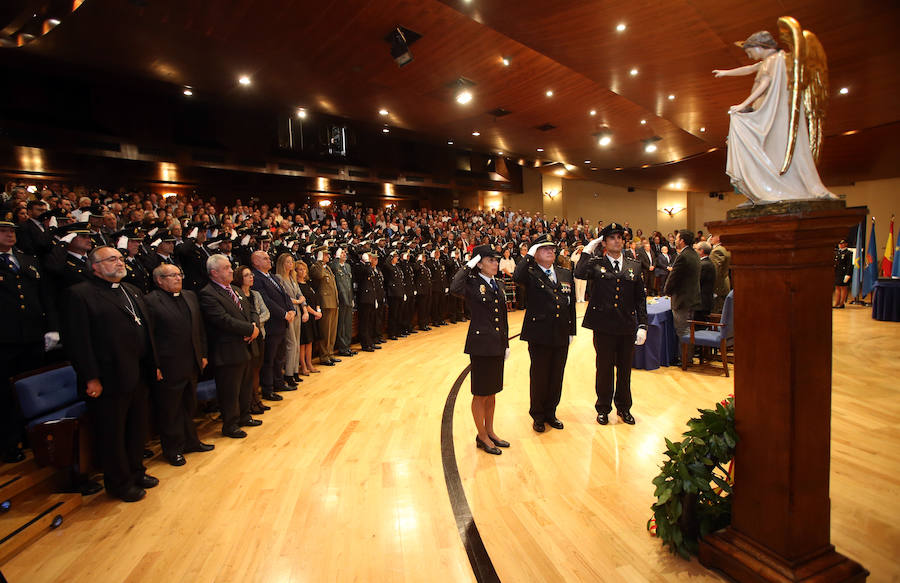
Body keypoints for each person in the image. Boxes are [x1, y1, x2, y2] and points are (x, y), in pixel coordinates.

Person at [64, 246, 160, 502]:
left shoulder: (132, 291)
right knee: (113, 434)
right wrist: (90, 377)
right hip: (108, 378)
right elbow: (78, 341)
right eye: (111, 259)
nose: (119, 262)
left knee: (137, 428)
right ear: (94, 266)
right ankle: (119, 483)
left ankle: (137, 471)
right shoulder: (80, 294)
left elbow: (147, 333)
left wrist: (155, 365)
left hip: (138, 372)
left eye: (120, 258)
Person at [713, 29, 836, 203]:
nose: (750, 56)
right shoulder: (773, 61)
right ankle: (760, 186)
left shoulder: (775, 60)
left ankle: (767, 185)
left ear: (760, 46)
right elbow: (749, 69)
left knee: (745, 129)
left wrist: (743, 104)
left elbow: (765, 83)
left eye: (750, 51)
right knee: (755, 140)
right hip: (764, 109)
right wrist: (726, 72)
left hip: (770, 112)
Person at [0, 215, 60, 463]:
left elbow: (46, 297)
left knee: (32, 390)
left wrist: (52, 328)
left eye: (12, 231)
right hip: (4, 340)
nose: (9, 234)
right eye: (3, 231)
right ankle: (9, 442)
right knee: (4, 394)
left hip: (33, 336)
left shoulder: (27, 260)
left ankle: (32, 437)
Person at [574, 223, 647, 426]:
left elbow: (640, 298)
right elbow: (579, 273)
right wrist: (589, 249)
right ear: (604, 243)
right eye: (612, 238)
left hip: (626, 325)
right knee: (604, 369)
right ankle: (603, 408)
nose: (617, 240)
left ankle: (624, 408)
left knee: (625, 370)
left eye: (619, 237)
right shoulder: (596, 263)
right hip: (604, 326)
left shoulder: (634, 265)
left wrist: (643, 325)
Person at [143, 264, 213, 466]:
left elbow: (199, 328)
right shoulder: (151, 302)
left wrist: (203, 353)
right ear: (159, 280)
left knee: (189, 405)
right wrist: (154, 364)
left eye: (179, 274)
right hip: (168, 365)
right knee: (170, 410)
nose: (177, 278)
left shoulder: (190, 296)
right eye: (171, 275)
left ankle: (191, 441)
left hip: (191, 361)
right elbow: (151, 338)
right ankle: (172, 449)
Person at [449, 244, 509, 455]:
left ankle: (490, 431)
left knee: (492, 392)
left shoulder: (498, 284)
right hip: (481, 345)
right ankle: (481, 435)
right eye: (490, 260)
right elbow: (454, 287)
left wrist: (506, 343)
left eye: (496, 260)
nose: (495, 263)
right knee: (481, 393)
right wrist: (469, 265)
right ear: (480, 263)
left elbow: (503, 316)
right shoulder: (472, 283)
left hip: (497, 344)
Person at [513, 235, 576, 433]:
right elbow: (517, 276)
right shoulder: (530, 273)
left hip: (560, 332)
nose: (550, 251)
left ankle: (551, 412)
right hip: (539, 333)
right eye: (544, 248)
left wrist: (571, 329)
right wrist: (529, 254)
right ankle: (538, 414)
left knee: (557, 374)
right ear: (535, 252)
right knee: (540, 375)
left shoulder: (564, 273)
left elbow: (571, 304)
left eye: (552, 248)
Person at [199, 254, 261, 438]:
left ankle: (244, 415)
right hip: (227, 349)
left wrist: (254, 327)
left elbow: (250, 310)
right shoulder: (208, 294)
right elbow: (222, 320)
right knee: (230, 389)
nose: (231, 270)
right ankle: (230, 424)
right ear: (214, 272)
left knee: (245, 384)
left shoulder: (236, 290)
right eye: (226, 268)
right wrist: (250, 329)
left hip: (246, 345)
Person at [251, 251, 295, 397]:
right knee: (269, 359)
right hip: (271, 323)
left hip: (282, 322)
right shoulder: (256, 278)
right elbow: (266, 301)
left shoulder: (272, 277)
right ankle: (268, 389)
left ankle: (279, 382)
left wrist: (291, 309)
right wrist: (284, 314)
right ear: (256, 262)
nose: (269, 260)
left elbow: (285, 295)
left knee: (279, 357)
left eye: (269, 258)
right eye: (265, 258)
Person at [234, 265, 270, 414]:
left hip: (259, 334)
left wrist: (255, 325)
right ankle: (249, 403)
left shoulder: (255, 294)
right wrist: (250, 327)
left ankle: (256, 399)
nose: (251, 277)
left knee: (257, 370)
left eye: (251, 275)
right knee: (248, 372)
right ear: (240, 279)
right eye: (247, 275)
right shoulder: (236, 295)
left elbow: (266, 312)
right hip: (247, 338)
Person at [274, 253, 305, 386]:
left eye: (291, 262)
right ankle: (288, 374)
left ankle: (294, 371)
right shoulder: (279, 278)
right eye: (287, 262)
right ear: (282, 264)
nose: (290, 264)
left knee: (297, 342)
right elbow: (283, 296)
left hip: (297, 310)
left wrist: (301, 303)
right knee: (291, 343)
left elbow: (300, 294)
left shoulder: (292, 277)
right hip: (289, 312)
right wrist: (298, 300)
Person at [664, 230, 701, 339]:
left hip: (682, 300)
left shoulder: (683, 256)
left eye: (677, 238)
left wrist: (667, 291)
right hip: (691, 298)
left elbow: (673, 277)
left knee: (683, 332)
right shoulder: (694, 254)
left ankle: (685, 356)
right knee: (687, 330)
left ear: (682, 241)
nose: (675, 240)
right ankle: (686, 355)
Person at [309, 247, 340, 365]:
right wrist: (319, 261)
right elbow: (318, 275)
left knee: (332, 331)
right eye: (325, 254)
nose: (328, 256)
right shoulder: (316, 267)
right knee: (325, 332)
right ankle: (324, 355)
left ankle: (330, 353)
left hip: (333, 302)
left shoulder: (327, 268)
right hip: (325, 303)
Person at [296, 260, 322, 372]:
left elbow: (314, 298)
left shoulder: (308, 284)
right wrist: (315, 312)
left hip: (311, 316)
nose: (303, 271)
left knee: (310, 341)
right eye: (300, 269)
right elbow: (304, 303)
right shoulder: (297, 286)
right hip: (304, 316)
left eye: (304, 269)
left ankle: (309, 363)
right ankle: (303, 366)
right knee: (303, 342)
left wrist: (318, 310)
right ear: (296, 272)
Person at [330, 248, 356, 357]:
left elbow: (349, 285)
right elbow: (339, 286)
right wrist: (336, 259)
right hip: (341, 300)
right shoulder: (335, 266)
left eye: (345, 252)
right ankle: (342, 348)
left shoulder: (347, 266)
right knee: (341, 325)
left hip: (349, 299)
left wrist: (352, 299)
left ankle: (347, 346)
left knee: (348, 324)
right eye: (342, 252)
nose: (344, 254)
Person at [708, 235, 732, 313]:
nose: (711, 238)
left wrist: (713, 289)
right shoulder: (725, 248)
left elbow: (715, 272)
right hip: (725, 282)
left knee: (717, 311)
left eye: (713, 236)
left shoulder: (717, 251)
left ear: (718, 238)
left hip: (719, 286)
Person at [695, 242, 717, 323]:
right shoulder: (707, 262)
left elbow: (696, 282)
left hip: (702, 302)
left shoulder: (703, 265)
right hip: (704, 300)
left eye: (696, 249)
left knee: (699, 326)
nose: (695, 251)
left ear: (701, 251)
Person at [833, 239, 852, 308]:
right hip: (837, 272)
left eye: (842, 244)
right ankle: (836, 302)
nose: (840, 245)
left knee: (843, 288)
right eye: (839, 244)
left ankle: (841, 303)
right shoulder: (837, 252)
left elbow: (849, 265)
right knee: (837, 287)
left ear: (846, 244)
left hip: (844, 273)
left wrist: (848, 274)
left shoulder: (848, 253)